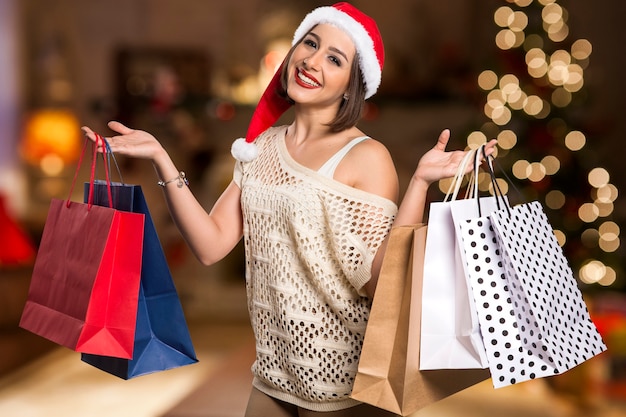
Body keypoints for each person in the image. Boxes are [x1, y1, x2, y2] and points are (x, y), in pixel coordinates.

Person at [83, 3, 496, 416]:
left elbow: (383, 285)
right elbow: (210, 246)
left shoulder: (366, 156)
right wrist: (161, 156)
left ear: (352, 84)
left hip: (346, 389)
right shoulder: (260, 147)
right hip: (273, 379)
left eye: (334, 59)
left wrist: (420, 183)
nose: (312, 61)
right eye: (310, 44)